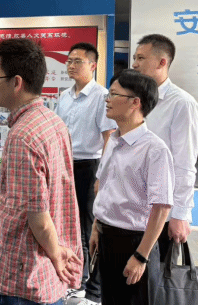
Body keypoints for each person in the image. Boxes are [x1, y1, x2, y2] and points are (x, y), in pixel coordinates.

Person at [0, 38, 83, 305]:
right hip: (46, 274)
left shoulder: (23, 136)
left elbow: (38, 217)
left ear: (16, 82)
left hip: (22, 276)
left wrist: (55, 253)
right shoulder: (53, 122)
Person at [90, 69, 174, 305]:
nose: (107, 100)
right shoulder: (114, 140)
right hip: (106, 238)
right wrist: (97, 227)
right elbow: (103, 187)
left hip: (135, 242)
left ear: (135, 102)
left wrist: (141, 256)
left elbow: (161, 207)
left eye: (114, 94)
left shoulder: (154, 150)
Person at [132, 34, 198, 258]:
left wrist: (180, 214)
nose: (134, 64)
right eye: (135, 58)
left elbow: (185, 163)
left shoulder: (182, 104)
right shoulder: (136, 100)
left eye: (141, 58)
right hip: (132, 208)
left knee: (158, 274)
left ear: (162, 62)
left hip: (161, 213)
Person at [56, 43, 116, 305]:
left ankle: (93, 288)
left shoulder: (102, 96)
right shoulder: (64, 96)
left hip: (89, 167)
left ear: (93, 65)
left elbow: (109, 138)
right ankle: (75, 280)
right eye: (69, 60)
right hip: (65, 166)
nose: (71, 65)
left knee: (90, 227)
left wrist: (102, 176)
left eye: (77, 61)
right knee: (67, 225)